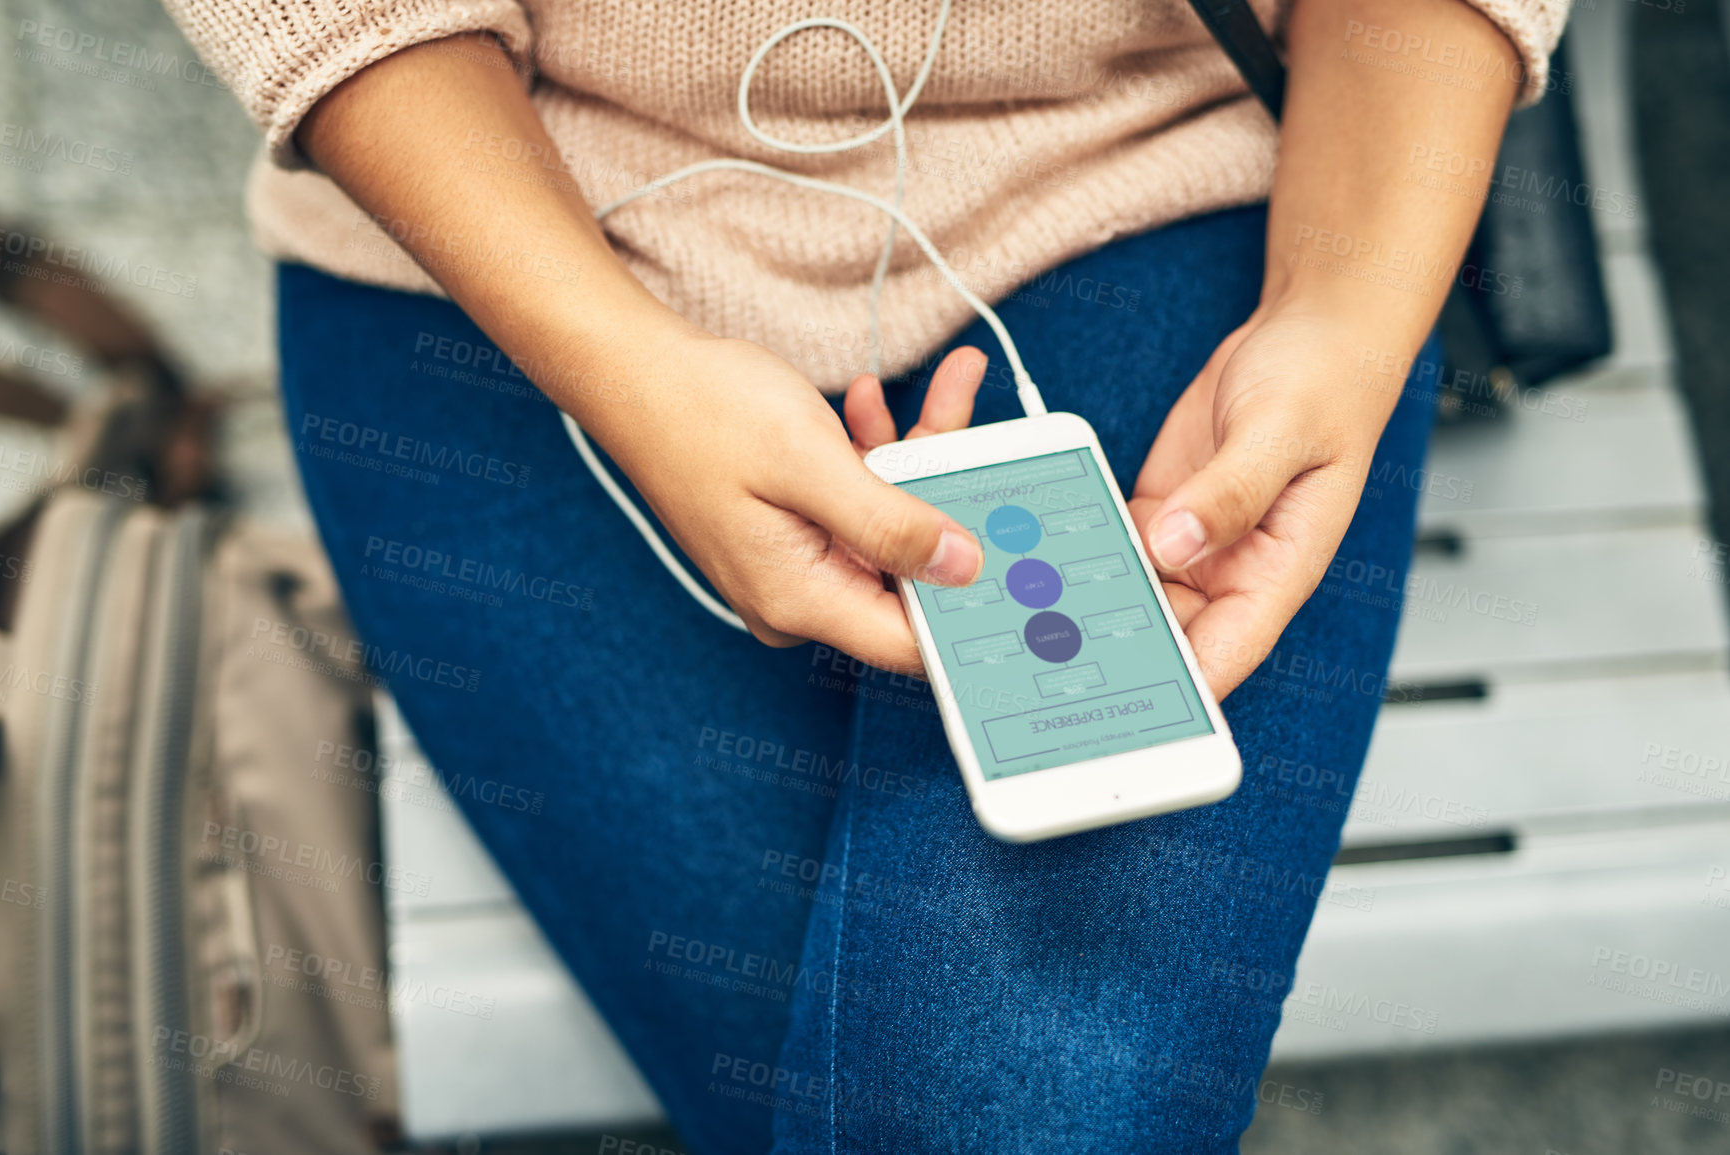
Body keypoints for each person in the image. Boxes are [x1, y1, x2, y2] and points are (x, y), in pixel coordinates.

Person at [164, 0, 1565, 1149]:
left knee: (1008, 1114)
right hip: (500, 227)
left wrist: (1345, 310)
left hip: (1168, 176)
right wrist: (622, 367)